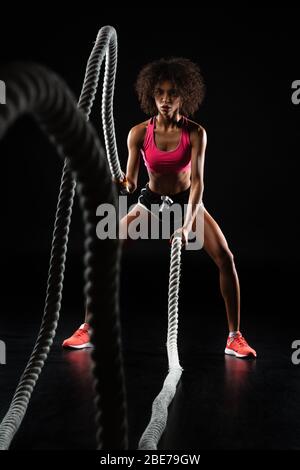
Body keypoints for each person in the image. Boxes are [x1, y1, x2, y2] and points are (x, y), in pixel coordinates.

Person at [63, 57, 256, 358]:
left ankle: (234, 337)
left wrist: (187, 222)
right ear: (151, 95)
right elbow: (131, 182)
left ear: (184, 96)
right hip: (151, 203)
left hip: (186, 202)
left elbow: (198, 184)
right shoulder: (138, 133)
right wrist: (121, 185)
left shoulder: (196, 133)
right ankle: (89, 327)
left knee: (226, 258)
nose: (165, 100)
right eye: (160, 93)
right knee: (104, 249)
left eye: (173, 93)